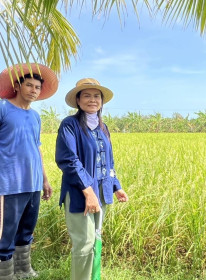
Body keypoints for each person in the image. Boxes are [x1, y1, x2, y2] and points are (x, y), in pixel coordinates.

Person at [55, 78, 128, 280]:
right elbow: (68, 160)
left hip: (101, 192)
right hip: (80, 193)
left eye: (96, 96)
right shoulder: (70, 125)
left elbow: (108, 162)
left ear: (102, 101)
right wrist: (88, 192)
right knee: (84, 243)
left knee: (96, 239)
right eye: (86, 95)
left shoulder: (104, 128)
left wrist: (116, 186)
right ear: (78, 101)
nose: (92, 100)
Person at [0, 63, 58, 280]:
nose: (34, 90)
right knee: (6, 232)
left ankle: (23, 269)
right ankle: (5, 274)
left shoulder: (35, 116)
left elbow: (37, 148)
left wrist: (44, 179)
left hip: (32, 183)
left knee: (26, 229)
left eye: (37, 87)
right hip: (8, 183)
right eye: (29, 85)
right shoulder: (3, 108)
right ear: (17, 85)